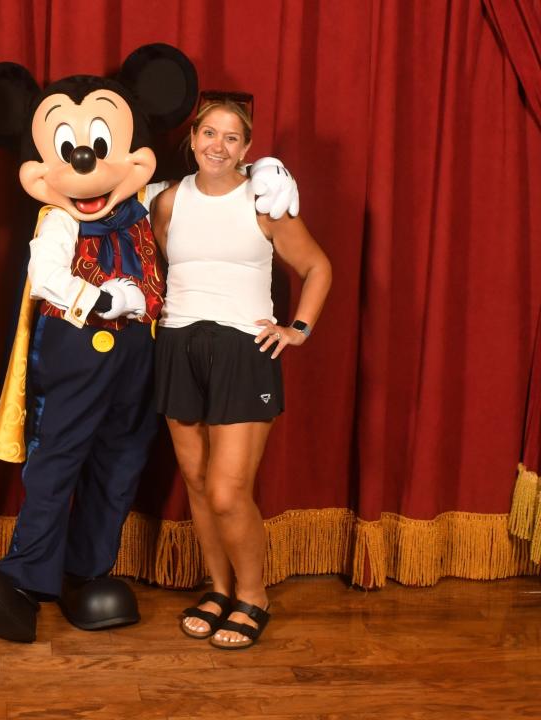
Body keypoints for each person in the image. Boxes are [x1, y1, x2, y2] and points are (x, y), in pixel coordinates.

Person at [151, 95, 331, 649]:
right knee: (199, 485)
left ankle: (255, 596)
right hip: (179, 344)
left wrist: (296, 328)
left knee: (230, 491)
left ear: (247, 149)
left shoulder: (265, 202)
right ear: (193, 139)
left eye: (232, 138)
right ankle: (220, 588)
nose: (218, 146)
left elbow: (317, 267)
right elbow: (166, 261)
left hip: (242, 351)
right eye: (210, 133)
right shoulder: (169, 201)